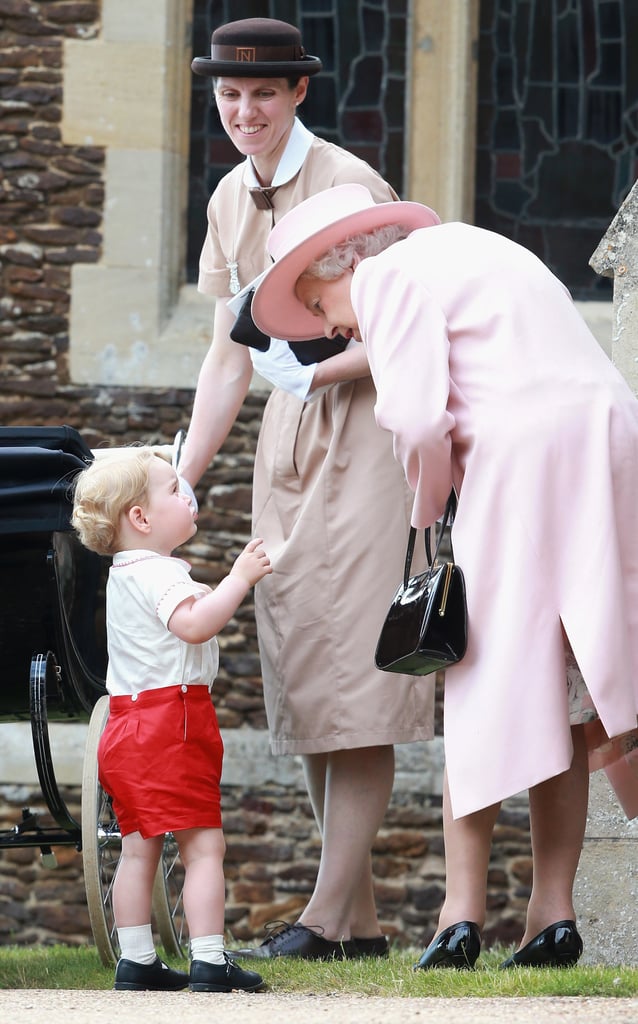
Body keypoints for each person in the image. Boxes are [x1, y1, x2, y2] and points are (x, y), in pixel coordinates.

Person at [250, 182, 638, 969]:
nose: (328, 327)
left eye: (317, 307)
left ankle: (457, 918)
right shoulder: (478, 246)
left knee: (485, 677)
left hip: (520, 463)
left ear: (336, 269)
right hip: (608, 441)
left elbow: (422, 419)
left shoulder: (385, 278)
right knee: (570, 687)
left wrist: (429, 509)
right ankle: (550, 917)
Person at [180, 18, 435, 960]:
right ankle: (358, 925)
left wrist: (317, 376)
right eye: (229, 96)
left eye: (262, 95)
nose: (244, 112)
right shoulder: (227, 198)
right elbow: (224, 359)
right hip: (288, 447)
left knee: (358, 672)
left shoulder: (349, 188)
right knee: (307, 674)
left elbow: (406, 331)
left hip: (367, 431)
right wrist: (184, 475)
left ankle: (325, 919)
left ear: (298, 95)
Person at [71, 447, 272, 991]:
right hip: (171, 724)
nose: (188, 497)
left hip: (124, 725)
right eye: (175, 490)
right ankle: (210, 958)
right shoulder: (161, 573)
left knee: (139, 847)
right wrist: (238, 580)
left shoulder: (124, 574)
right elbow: (194, 625)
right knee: (204, 845)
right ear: (140, 518)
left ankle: (136, 960)